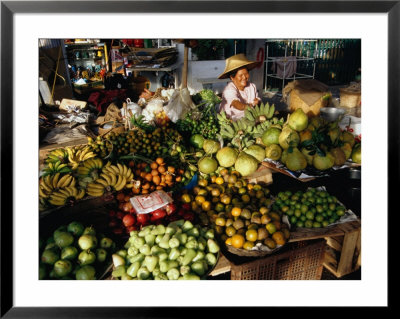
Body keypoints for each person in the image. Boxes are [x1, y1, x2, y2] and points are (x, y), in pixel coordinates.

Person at [218, 53, 261, 120]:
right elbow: (236, 104)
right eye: (240, 75)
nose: (244, 77)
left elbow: (257, 100)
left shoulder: (252, 86)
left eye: (246, 74)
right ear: (232, 77)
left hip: (248, 119)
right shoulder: (229, 90)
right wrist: (250, 105)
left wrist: (257, 101)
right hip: (230, 119)